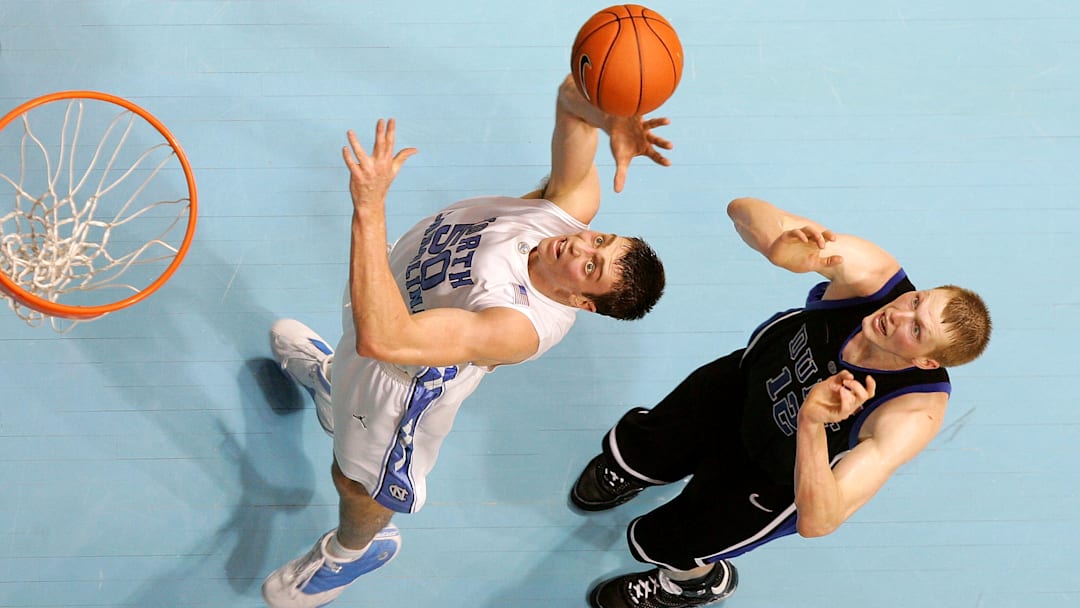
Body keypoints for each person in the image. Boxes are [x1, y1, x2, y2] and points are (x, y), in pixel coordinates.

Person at [261, 74, 672, 608]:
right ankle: (338, 395)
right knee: (352, 359)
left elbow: (384, 338)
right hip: (383, 311)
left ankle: (354, 551)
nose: (579, 244)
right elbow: (573, 99)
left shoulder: (517, 327)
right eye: (600, 240)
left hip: (397, 381)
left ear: (581, 303)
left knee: (355, 480)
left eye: (590, 266)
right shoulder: (565, 210)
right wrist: (608, 113)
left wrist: (369, 207)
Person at [572, 196, 992, 608]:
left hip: (774, 474)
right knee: (649, 444)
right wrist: (778, 243)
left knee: (678, 539)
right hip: (744, 385)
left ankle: (693, 583)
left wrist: (811, 422)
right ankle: (632, 470)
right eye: (916, 301)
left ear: (925, 361)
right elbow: (741, 208)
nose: (899, 315)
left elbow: (820, 521)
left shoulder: (909, 413)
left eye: (916, 330)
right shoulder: (874, 279)